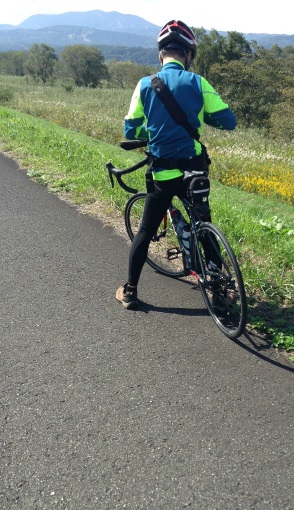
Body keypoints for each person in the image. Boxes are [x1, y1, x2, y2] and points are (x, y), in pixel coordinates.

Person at [116, 19, 237, 309]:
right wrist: (199, 116)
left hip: (163, 172)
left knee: (145, 230)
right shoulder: (199, 82)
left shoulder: (145, 84)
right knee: (203, 222)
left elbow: (130, 130)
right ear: (188, 56)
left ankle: (130, 291)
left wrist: (152, 133)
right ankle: (220, 290)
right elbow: (228, 122)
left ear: (161, 56)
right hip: (195, 170)